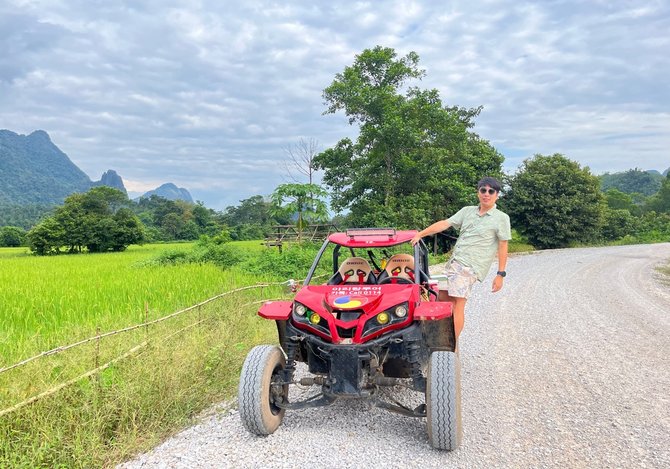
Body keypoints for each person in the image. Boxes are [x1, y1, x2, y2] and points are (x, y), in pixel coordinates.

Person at [411, 177, 511, 341]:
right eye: (483, 190)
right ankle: (440, 336)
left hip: (470, 267)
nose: (486, 194)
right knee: (442, 298)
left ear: (497, 195)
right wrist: (420, 234)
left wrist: (500, 274)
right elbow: (445, 223)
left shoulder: (501, 218)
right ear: (478, 192)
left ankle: (451, 345)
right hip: (454, 263)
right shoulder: (467, 211)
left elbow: (503, 245)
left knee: (458, 303)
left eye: (491, 191)